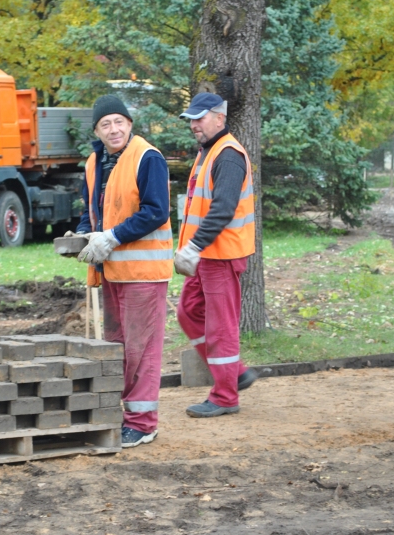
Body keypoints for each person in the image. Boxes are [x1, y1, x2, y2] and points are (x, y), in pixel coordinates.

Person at [74, 95, 173, 447]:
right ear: (97, 131)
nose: (113, 129)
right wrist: (85, 235)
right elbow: (92, 210)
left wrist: (111, 237)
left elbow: (155, 212)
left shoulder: (148, 158)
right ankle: (121, 414)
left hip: (143, 272)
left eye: (119, 122)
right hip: (112, 271)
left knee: (142, 348)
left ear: (130, 124)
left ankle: (143, 422)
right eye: (106, 124)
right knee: (117, 346)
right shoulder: (94, 163)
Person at [175, 92, 258, 418]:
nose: (194, 124)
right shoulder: (209, 152)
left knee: (221, 327)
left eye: (200, 118)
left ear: (220, 118)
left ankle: (225, 396)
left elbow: (222, 208)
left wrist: (194, 246)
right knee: (188, 312)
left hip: (220, 255)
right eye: (192, 119)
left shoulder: (228, 155)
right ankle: (235, 372)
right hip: (207, 255)